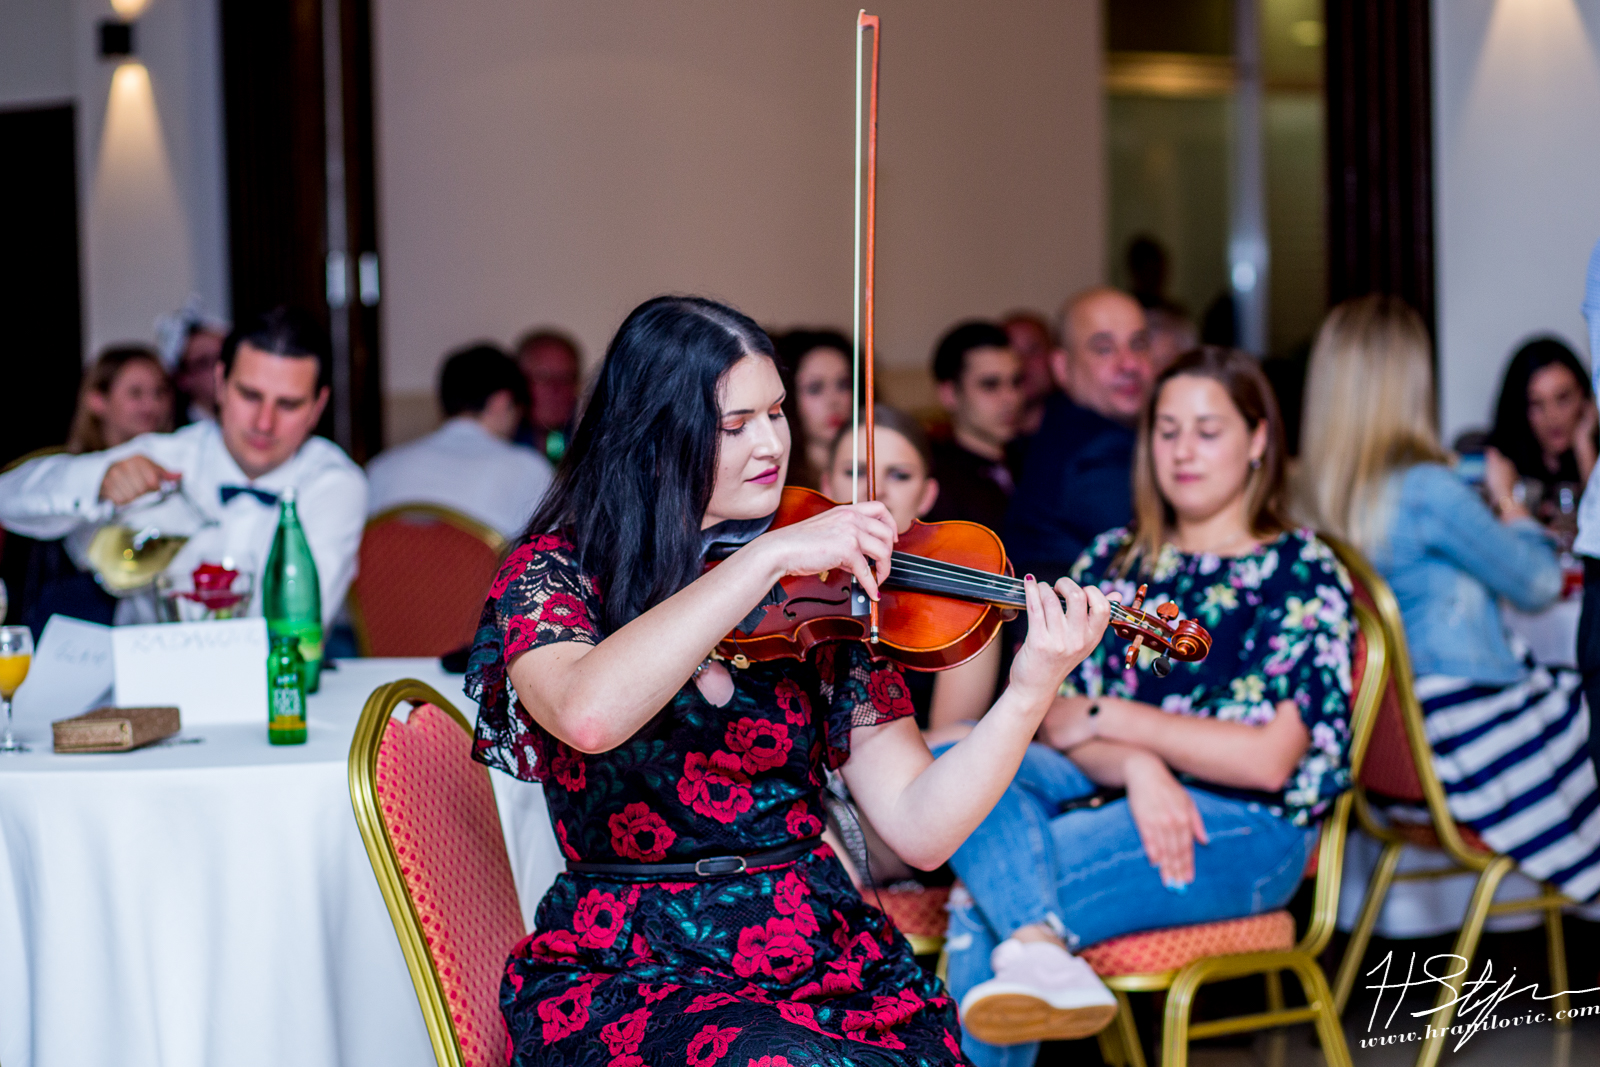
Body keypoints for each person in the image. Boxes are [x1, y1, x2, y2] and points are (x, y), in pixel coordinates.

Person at [466, 295, 1110, 1064]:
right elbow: (590, 714)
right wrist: (763, 558)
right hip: (636, 964)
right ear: (656, 437)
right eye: (737, 426)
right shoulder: (553, 575)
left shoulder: (821, 593)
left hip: (814, 949)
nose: (773, 443)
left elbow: (920, 827)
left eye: (777, 412)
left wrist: (1030, 689)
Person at [940, 347, 1353, 1065]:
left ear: (1259, 439)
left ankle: (1033, 943)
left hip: (1250, 826)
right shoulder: (1112, 562)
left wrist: (1122, 723)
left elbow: (1264, 759)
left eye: (1207, 429)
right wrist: (1137, 766)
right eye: (1166, 430)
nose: (1183, 450)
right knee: (953, 752)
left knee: (998, 896)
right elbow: (1060, 720)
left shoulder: (1301, 572)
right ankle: (1039, 947)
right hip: (1109, 788)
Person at [1297, 294, 1600, 905]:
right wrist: (1510, 503)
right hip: (1467, 732)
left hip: (1392, 746)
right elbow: (1540, 585)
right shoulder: (1427, 490)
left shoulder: (1318, 499)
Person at [0, 306, 367, 627]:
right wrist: (98, 481)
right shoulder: (169, 455)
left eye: (288, 404)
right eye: (250, 395)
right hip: (139, 683)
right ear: (221, 384)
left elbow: (295, 625)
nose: (264, 423)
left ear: (318, 407)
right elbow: (8, 496)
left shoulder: (334, 484)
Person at [822, 405, 1003, 735]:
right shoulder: (791, 587)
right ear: (826, 486)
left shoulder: (958, 604)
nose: (875, 491)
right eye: (855, 473)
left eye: (899, 475)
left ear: (927, 494)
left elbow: (951, 740)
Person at [1005, 287, 1154, 583]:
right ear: (1061, 367)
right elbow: (1157, 558)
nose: (1129, 364)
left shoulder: (1063, 422)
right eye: (1104, 349)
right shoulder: (1094, 450)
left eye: (1138, 345)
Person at [366, 343, 554, 540]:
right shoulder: (528, 468)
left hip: (397, 571)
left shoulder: (381, 468)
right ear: (502, 402)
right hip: (489, 572)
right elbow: (552, 555)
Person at [925, 321, 1025, 531]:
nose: (1010, 398)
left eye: (1015, 382)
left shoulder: (1034, 457)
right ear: (949, 394)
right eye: (990, 385)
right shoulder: (934, 480)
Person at [1486, 336, 1597, 523]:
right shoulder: (1499, 467)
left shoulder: (1594, 454)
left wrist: (1585, 451)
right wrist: (1505, 497)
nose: (1552, 416)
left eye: (1563, 398)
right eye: (1536, 404)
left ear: (1584, 396)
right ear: (1520, 409)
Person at [774, 328, 857, 492]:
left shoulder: (875, 469)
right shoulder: (776, 478)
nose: (834, 400)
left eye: (844, 384)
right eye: (815, 388)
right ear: (788, 398)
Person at [66, 346, 174, 454]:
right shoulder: (69, 467)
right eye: (135, 393)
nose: (151, 405)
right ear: (97, 400)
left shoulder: (180, 455)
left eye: (159, 392)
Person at [512, 328, 582, 464]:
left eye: (567, 378)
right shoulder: (497, 450)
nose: (557, 388)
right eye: (543, 376)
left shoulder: (592, 444)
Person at [156, 301, 229, 426]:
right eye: (204, 362)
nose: (220, 367)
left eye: (224, 355)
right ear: (182, 379)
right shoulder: (176, 435)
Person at [1002, 312, 1055, 437]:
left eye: (1033, 350)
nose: (1023, 363)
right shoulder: (984, 444)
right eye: (1012, 353)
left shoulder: (1088, 433)